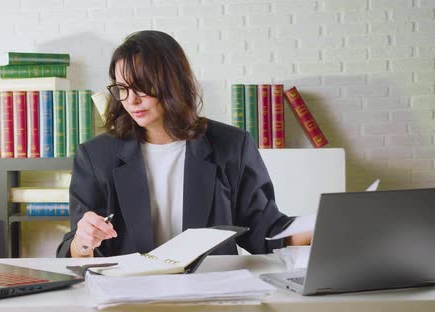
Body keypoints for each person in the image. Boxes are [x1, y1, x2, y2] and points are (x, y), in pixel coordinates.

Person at [56, 30, 311, 258]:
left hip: (209, 291)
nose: (131, 100)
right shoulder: (95, 155)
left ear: (173, 82)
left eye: (142, 87)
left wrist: (321, 229)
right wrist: (83, 241)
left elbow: (264, 232)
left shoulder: (231, 145)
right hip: (130, 294)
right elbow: (74, 250)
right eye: (122, 88)